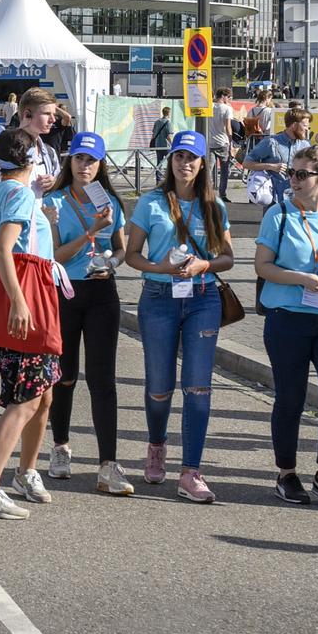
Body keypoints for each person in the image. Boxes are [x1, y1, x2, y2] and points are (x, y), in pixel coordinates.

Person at [124, 132, 234, 502]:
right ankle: (156, 445)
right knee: (159, 386)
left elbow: (228, 258)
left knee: (198, 387)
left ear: (203, 164)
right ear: (169, 161)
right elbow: (132, 255)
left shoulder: (214, 205)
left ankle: (191, 471)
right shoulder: (151, 203)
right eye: (178, 156)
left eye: (192, 157)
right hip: (158, 297)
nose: (184, 163)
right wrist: (161, 268)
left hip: (203, 299)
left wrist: (205, 263)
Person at [0, 127, 64, 517]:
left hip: (24, 287)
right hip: (29, 290)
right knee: (26, 400)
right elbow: (7, 250)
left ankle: (24, 472)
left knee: (43, 394)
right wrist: (21, 304)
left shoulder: (2, 192)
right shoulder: (21, 194)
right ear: (31, 158)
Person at [42, 133, 133, 494]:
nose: (84, 166)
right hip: (65, 292)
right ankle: (60, 447)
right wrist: (91, 232)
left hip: (102, 294)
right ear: (70, 162)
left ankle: (108, 464)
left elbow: (122, 249)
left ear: (101, 165)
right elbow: (55, 256)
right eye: (79, 159)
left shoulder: (110, 201)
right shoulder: (54, 202)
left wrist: (112, 262)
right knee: (64, 375)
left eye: (91, 161)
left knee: (102, 379)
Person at [0, 87, 59, 410]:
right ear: (26, 115)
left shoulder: (46, 152)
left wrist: (51, 188)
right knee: (23, 331)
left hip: (37, 244)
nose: (53, 120)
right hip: (17, 248)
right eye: (47, 114)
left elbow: (45, 196)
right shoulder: (6, 148)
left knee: (28, 337)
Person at [253, 144, 318, 506]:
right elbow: (262, 267)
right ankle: (286, 473)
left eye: (301, 175)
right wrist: (300, 278)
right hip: (287, 319)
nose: (293, 181)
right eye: (291, 173)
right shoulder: (278, 214)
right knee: (290, 398)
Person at [247, 107, 313, 204]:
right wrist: (271, 166)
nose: (307, 129)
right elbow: (246, 163)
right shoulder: (271, 142)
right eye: (305, 125)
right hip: (274, 200)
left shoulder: (305, 145)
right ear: (294, 125)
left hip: (297, 200)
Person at [206, 87, 235, 200]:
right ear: (223, 96)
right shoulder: (227, 109)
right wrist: (231, 142)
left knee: (208, 170)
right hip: (223, 142)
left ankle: (208, 192)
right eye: (229, 97)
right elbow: (228, 127)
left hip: (210, 142)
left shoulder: (209, 107)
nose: (229, 100)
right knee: (224, 171)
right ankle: (222, 194)